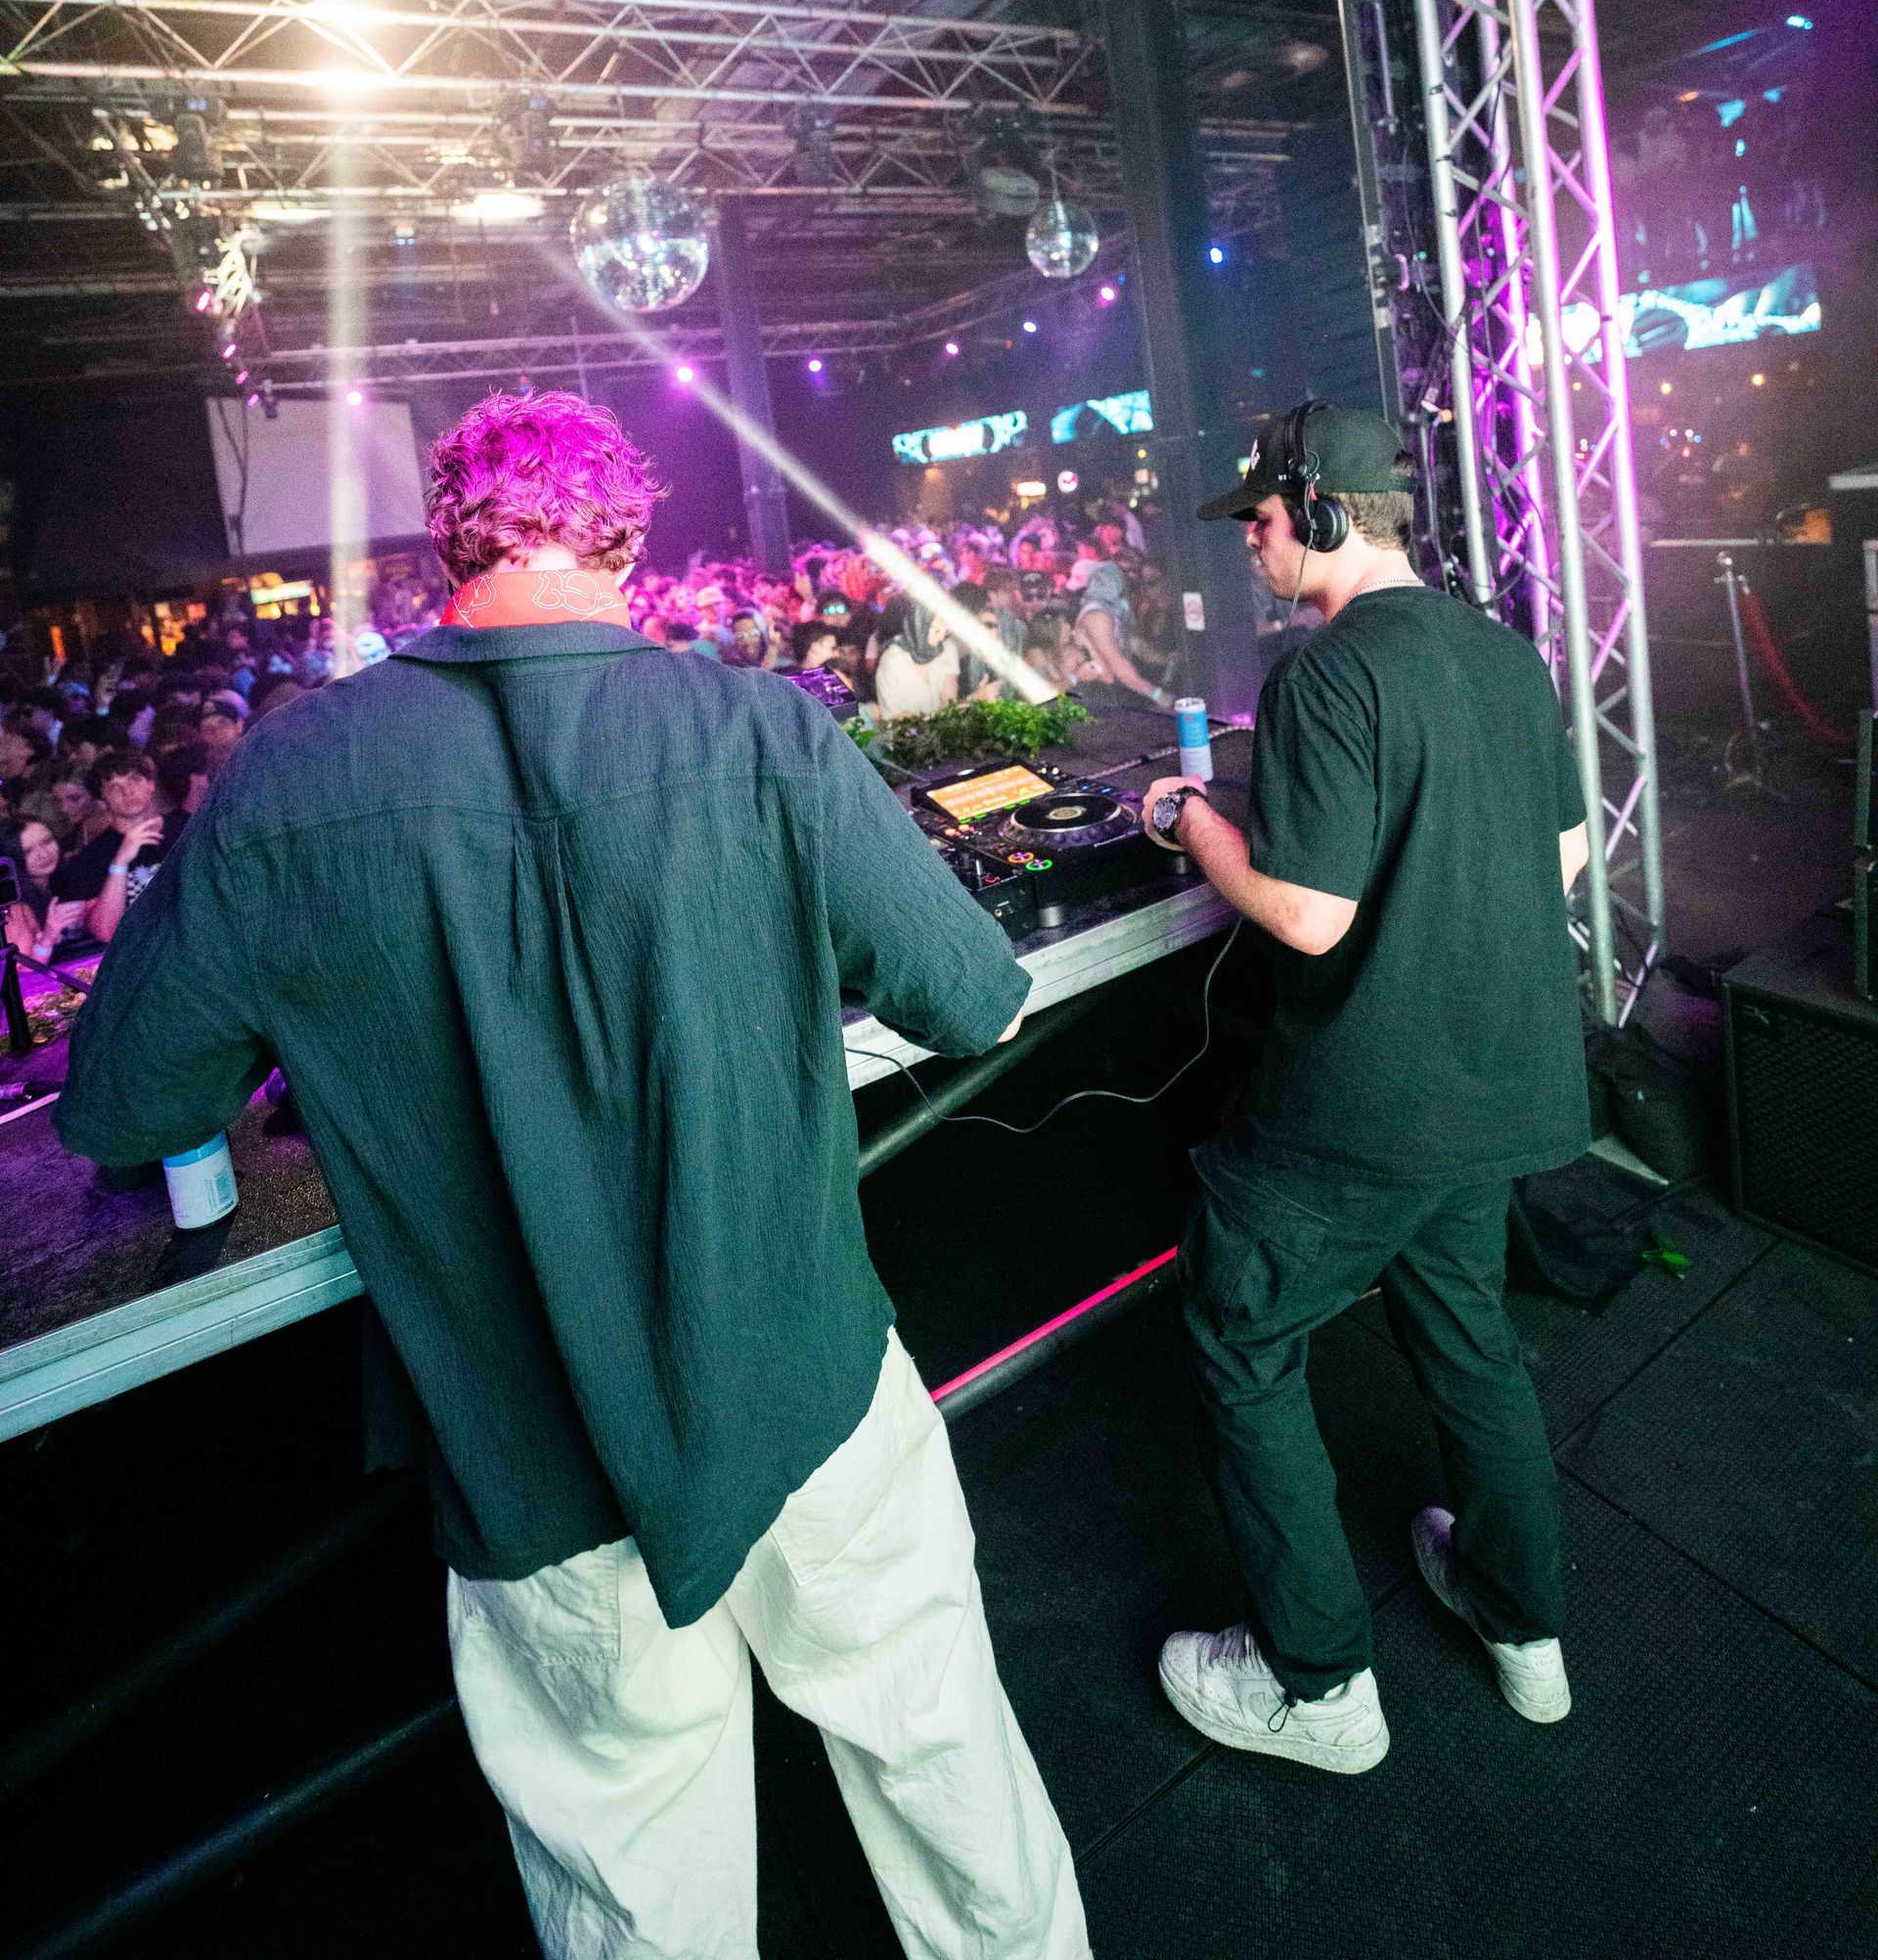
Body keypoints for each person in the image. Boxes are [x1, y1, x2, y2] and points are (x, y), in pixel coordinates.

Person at [56, 389, 1088, 1960]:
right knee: (938, 1747)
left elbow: (130, 1098)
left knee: (636, 1883)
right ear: (625, 532)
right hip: (806, 1385)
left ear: (448, 539)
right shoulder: (759, 729)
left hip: (531, 1452)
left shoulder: (284, 779)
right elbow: (974, 994)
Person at [1140, 400, 1590, 1775]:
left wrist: (1189, 819)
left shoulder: (1326, 675)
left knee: (1240, 1335)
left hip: (1357, 1113)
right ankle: (1527, 1633)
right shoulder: (1506, 652)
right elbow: (1562, 854)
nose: (1254, 546)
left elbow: (1312, 916)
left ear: (1325, 511)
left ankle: (1317, 1684)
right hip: (1492, 1092)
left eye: (1263, 519)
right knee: (1469, 1340)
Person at [55, 749, 188, 946]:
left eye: (134, 780)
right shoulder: (88, 861)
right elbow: (106, 932)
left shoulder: (189, 829)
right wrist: (120, 862)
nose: (127, 792)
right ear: (101, 800)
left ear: (151, 784)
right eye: (114, 788)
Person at [1074, 556, 1171, 709]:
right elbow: (1119, 666)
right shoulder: (1096, 615)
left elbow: (1138, 647)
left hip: (1115, 690)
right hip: (1097, 695)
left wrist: (1169, 659)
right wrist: (1159, 696)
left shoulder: (1114, 611)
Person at [4, 819, 89, 961]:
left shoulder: (64, 881)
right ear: (11, 858)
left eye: (47, 841)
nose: (44, 855)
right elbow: (22, 976)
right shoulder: (15, 909)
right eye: (27, 851)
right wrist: (47, 938)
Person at [872, 591, 961, 717]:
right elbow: (894, 717)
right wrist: (935, 719)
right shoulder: (893, 661)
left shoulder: (946, 649)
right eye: (935, 630)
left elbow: (949, 701)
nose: (941, 637)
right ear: (918, 625)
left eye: (945, 631)